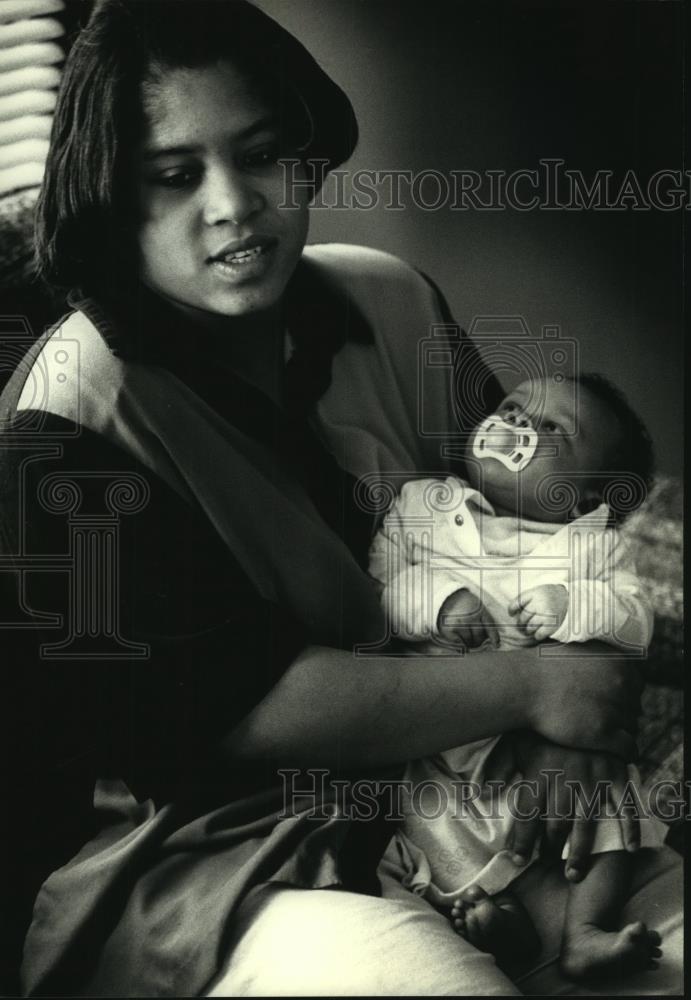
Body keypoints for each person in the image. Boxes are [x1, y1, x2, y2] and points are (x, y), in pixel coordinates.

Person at [0, 1, 681, 995]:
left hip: (467, 797)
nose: (234, 204)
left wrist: (574, 724)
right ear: (111, 196)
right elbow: (226, 711)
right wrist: (539, 686)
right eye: (175, 176)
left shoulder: (389, 301)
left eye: (262, 153)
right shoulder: (67, 418)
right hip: (214, 859)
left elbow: (558, 531)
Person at [369, 372, 668, 981]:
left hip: (548, 742)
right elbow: (375, 587)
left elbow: (636, 622)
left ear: (587, 500)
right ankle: (484, 911)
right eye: (511, 408)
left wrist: (571, 606)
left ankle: (583, 929)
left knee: (612, 801)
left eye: (553, 427)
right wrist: (435, 601)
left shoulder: (596, 548)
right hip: (445, 730)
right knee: (414, 825)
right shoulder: (425, 506)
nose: (520, 425)